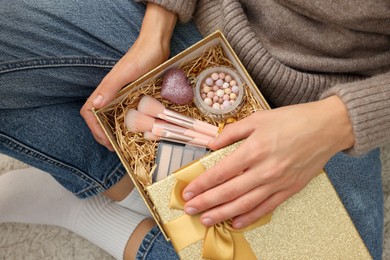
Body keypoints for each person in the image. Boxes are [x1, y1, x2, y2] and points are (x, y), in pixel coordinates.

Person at [0, 0, 389, 259]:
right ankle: (124, 186)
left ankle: (93, 210)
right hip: (203, 18)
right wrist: (158, 26)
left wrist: (338, 123)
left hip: (337, 90)